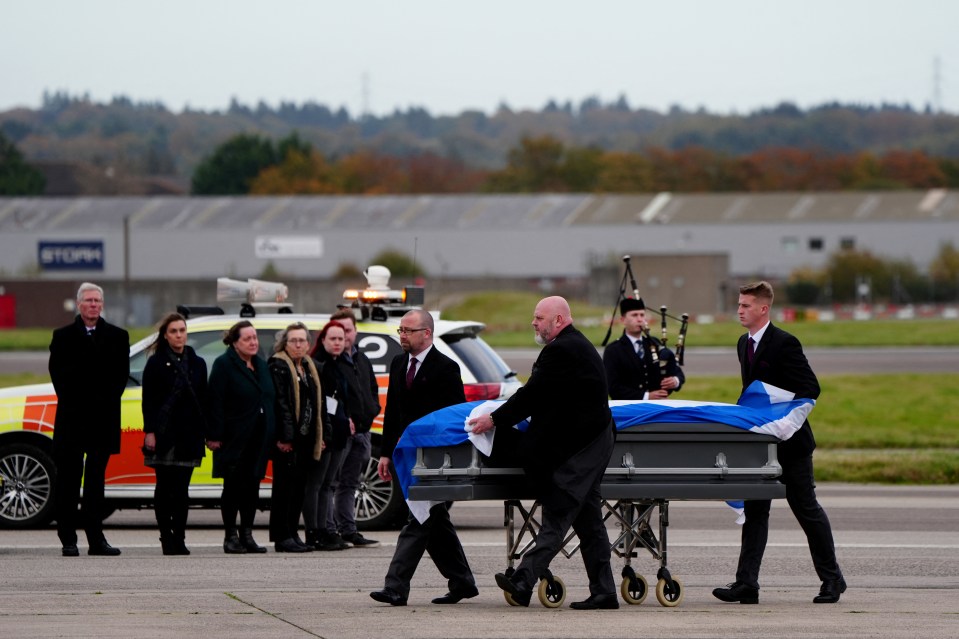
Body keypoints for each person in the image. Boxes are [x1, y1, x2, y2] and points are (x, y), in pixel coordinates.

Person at [469, 296, 618, 610]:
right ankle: (604, 592)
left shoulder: (563, 349)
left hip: (584, 446)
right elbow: (543, 395)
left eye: (539, 318)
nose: (533, 323)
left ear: (559, 320)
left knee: (560, 510)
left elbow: (532, 395)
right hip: (591, 441)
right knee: (588, 518)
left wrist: (494, 419)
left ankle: (524, 580)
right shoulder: (570, 346)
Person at [713, 281, 846, 605]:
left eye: (745, 305)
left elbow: (809, 388)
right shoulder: (743, 343)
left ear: (763, 309)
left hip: (792, 444)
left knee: (806, 510)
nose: (740, 310)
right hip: (761, 446)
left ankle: (833, 580)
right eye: (739, 304)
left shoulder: (785, 343)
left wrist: (786, 426)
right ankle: (747, 583)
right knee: (756, 510)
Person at [370, 309, 478, 607]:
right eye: (400, 330)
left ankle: (395, 586)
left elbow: (454, 417)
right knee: (434, 521)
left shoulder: (446, 368)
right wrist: (385, 454)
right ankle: (463, 582)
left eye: (407, 330)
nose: (402, 335)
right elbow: (393, 412)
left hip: (435, 459)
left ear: (426, 333)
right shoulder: (397, 363)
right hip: (406, 455)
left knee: (418, 519)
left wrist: (450, 461)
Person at [49, 282, 130, 557]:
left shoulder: (118, 337)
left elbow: (120, 379)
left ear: (102, 305)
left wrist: (100, 401)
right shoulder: (62, 336)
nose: (93, 304)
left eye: (97, 300)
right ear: (79, 304)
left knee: (96, 484)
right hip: (72, 421)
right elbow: (59, 377)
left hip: (102, 421)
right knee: (69, 482)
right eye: (88, 300)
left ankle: (96, 540)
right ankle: (68, 539)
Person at [141, 312, 209, 555]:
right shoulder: (155, 363)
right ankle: (166, 537)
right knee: (164, 488)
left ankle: (179, 537)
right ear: (165, 335)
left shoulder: (198, 362)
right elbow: (147, 401)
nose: (179, 335)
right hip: (164, 433)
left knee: (182, 491)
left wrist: (208, 433)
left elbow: (204, 399)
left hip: (189, 434)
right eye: (174, 331)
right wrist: (150, 431)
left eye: (182, 330)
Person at [206, 320, 275, 554]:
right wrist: (214, 435)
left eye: (255, 338)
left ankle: (247, 534)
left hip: (258, 438)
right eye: (247, 338)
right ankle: (230, 536)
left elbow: (269, 398)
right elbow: (214, 401)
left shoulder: (261, 364)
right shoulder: (224, 364)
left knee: (252, 488)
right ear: (235, 343)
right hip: (233, 438)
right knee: (233, 488)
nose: (253, 342)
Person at [267, 322, 328, 553]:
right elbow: (281, 404)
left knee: (299, 488)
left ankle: (293, 533)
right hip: (288, 438)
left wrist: (321, 435)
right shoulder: (279, 366)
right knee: (284, 489)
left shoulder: (309, 367)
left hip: (306, 438)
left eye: (302, 340)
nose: (299, 344)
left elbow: (318, 403)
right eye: (294, 340)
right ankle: (282, 536)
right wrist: (286, 437)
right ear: (285, 343)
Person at [323, 309, 381, 548]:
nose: (344, 336)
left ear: (355, 331)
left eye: (348, 330)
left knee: (350, 484)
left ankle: (349, 529)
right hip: (341, 433)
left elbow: (372, 389)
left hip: (362, 431)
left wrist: (371, 411)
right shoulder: (330, 364)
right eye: (339, 332)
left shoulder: (361, 358)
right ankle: (329, 529)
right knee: (331, 483)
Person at [302, 321, 351, 551]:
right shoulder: (318, 365)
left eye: (341, 338)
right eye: (333, 338)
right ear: (322, 340)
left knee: (328, 484)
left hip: (339, 432)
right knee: (317, 484)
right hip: (325, 433)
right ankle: (315, 531)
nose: (337, 343)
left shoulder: (340, 363)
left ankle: (325, 530)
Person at [602, 297, 684, 400]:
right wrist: (646, 396)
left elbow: (677, 372)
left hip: (659, 407)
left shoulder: (655, 344)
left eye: (642, 315)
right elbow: (613, 388)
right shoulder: (613, 350)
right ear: (623, 320)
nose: (640, 319)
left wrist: (675, 381)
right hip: (630, 410)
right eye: (634, 315)